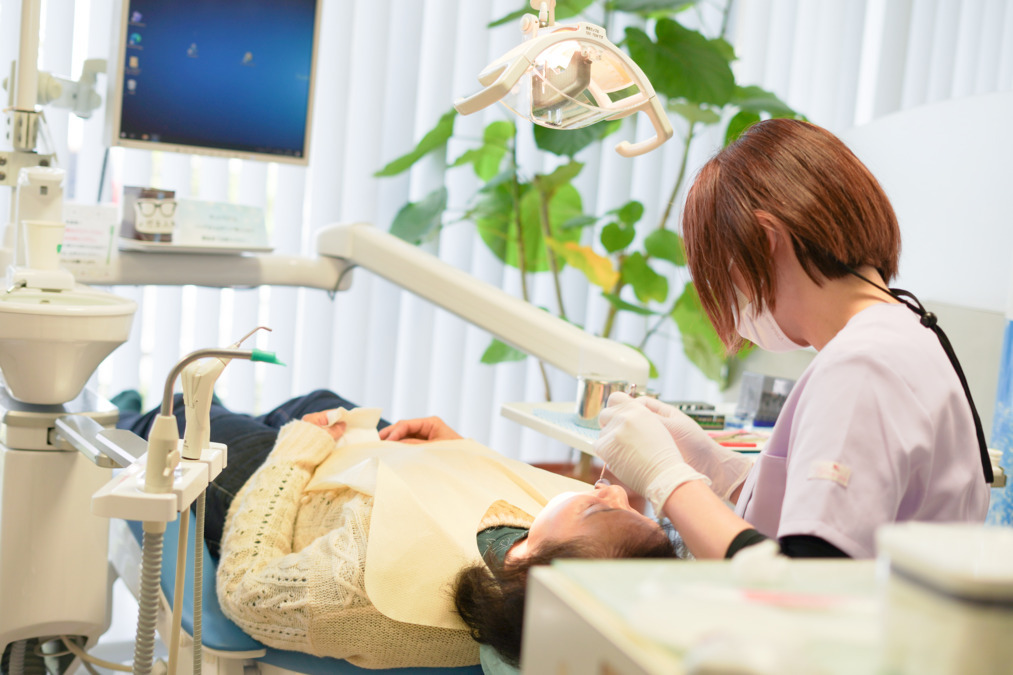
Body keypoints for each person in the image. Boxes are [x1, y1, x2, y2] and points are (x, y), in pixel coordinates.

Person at [593, 118, 990, 562]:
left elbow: (803, 577)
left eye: (721, 273)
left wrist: (666, 479)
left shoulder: (862, 366)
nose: (726, 297)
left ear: (766, 241)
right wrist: (718, 467)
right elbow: (843, 513)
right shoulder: (901, 334)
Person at [117, 390, 676, 670]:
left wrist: (296, 452)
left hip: (291, 494)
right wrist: (459, 455)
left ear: (533, 567)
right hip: (368, 471)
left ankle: (129, 410)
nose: (612, 491)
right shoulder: (545, 552)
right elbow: (489, 504)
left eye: (600, 512)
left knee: (184, 414)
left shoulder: (373, 590)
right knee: (321, 400)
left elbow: (248, 593)